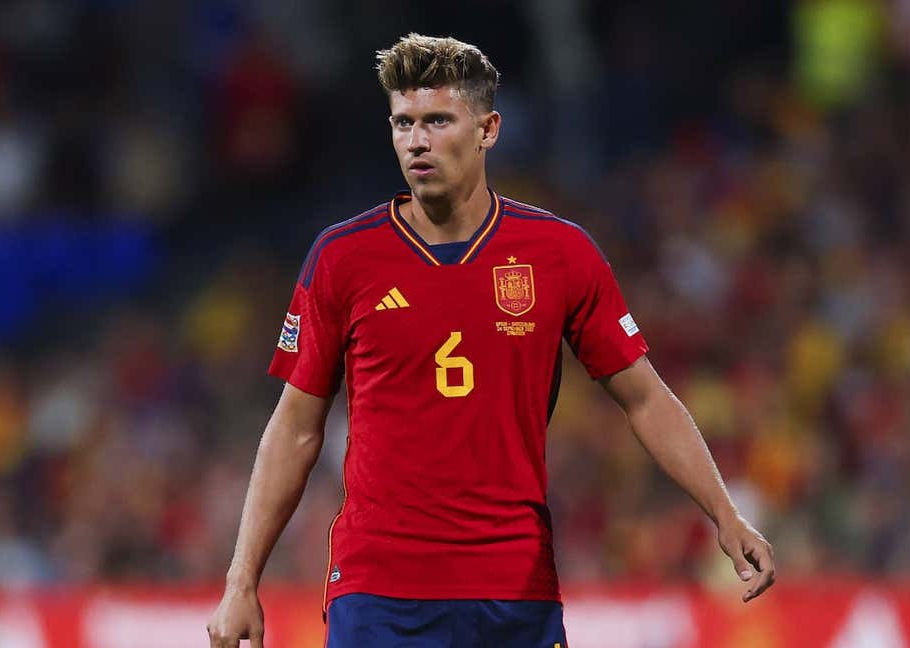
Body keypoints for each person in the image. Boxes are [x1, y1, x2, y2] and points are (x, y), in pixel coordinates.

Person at [207, 33, 775, 648]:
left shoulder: (559, 254)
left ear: (488, 129)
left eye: (438, 120)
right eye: (403, 123)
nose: (417, 140)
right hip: (380, 592)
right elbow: (295, 426)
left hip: (514, 590)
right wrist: (242, 582)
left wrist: (725, 512)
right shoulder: (344, 257)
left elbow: (645, 398)